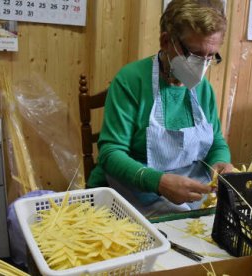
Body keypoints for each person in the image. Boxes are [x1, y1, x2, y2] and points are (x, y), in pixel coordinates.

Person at [87, 0, 233, 217]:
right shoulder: (131, 80)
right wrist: (159, 183)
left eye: (210, 57)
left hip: (190, 187)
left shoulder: (204, 90)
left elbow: (216, 142)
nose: (202, 66)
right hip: (136, 188)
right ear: (166, 41)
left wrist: (221, 162)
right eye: (194, 54)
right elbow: (110, 153)